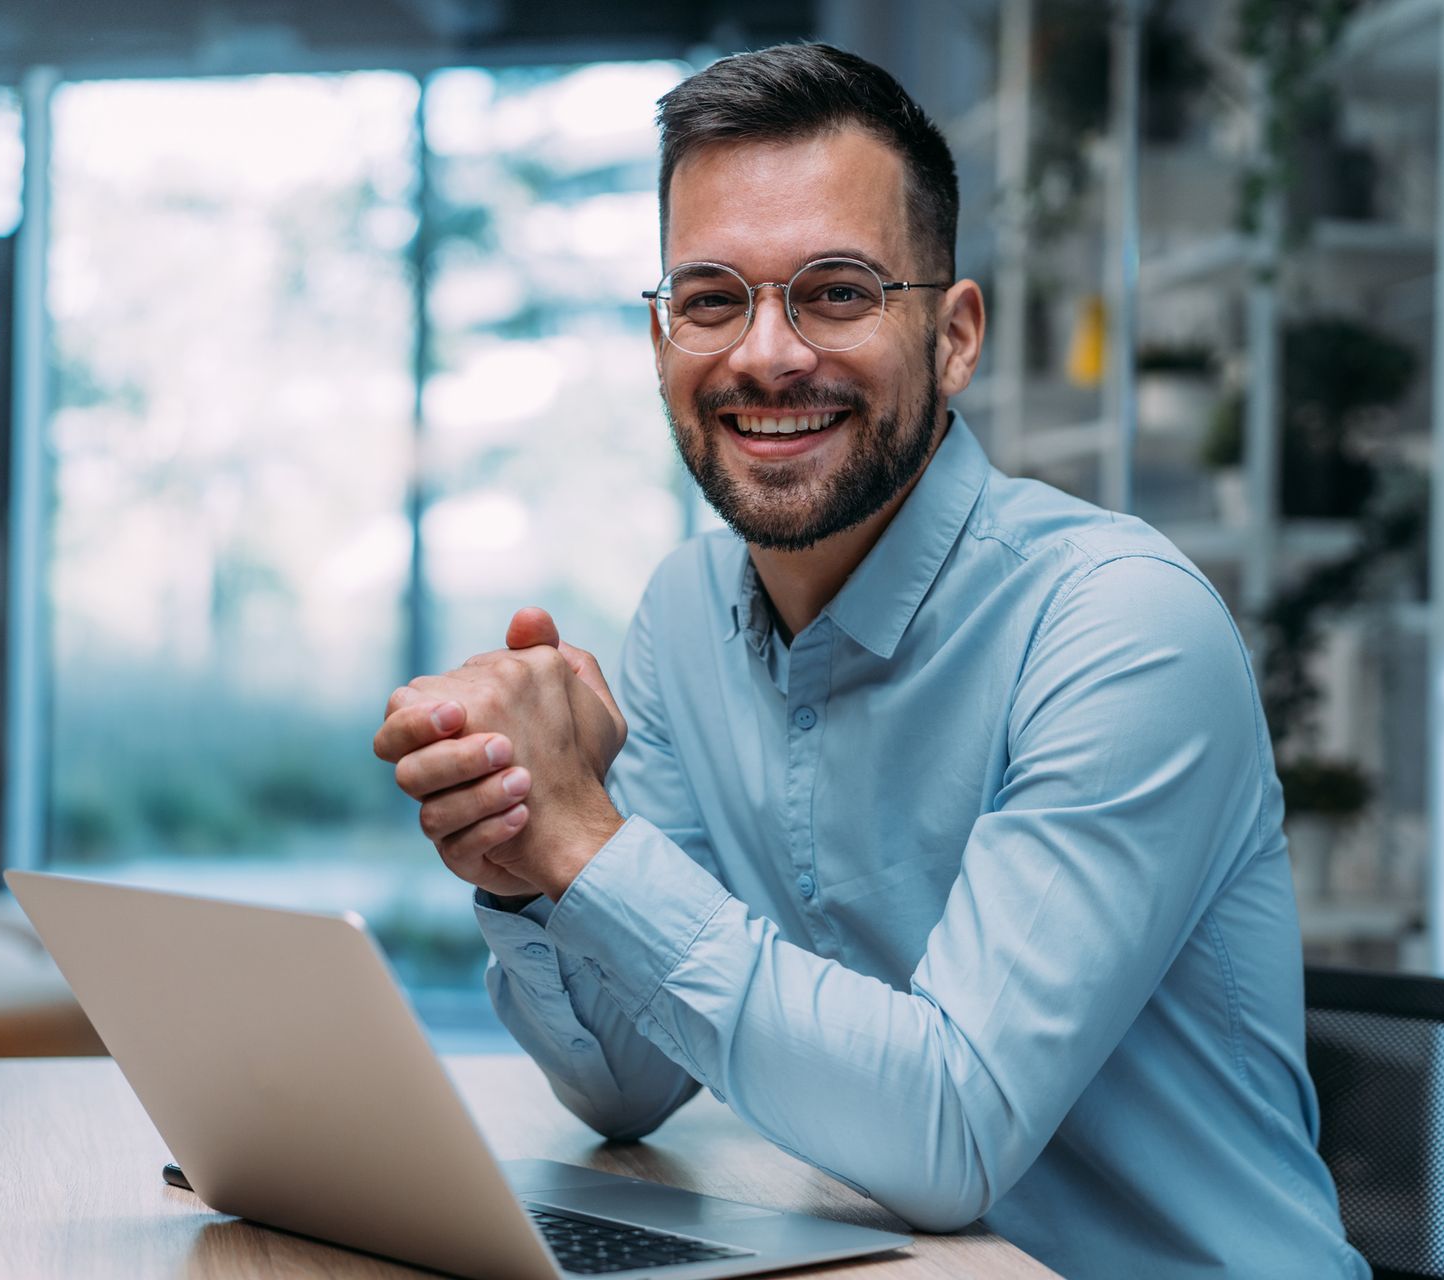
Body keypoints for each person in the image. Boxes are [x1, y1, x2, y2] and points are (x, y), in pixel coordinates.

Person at [372, 43, 1366, 1280]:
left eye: (836, 291)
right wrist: (526, 854)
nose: (765, 354)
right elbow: (625, 1085)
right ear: (661, 335)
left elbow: (948, 1131)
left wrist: (592, 846)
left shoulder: (1120, 625)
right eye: (712, 297)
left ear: (954, 336)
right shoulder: (684, 615)